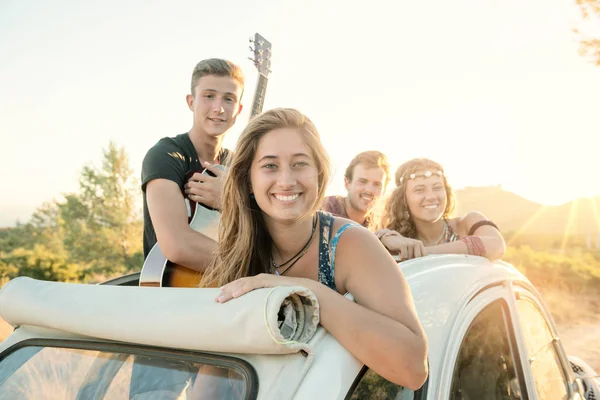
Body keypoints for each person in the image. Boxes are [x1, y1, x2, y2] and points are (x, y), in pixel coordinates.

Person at [200, 108, 428, 389]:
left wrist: (309, 293)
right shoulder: (239, 247)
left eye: (299, 164)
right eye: (270, 165)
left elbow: (414, 368)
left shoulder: (349, 244)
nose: (286, 180)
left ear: (319, 174)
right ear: (249, 179)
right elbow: (216, 369)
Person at [141, 58, 244, 271]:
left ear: (239, 109)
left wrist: (232, 200)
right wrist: (251, 268)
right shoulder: (166, 155)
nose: (219, 108)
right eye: (209, 96)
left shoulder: (240, 166)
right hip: (172, 292)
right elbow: (177, 244)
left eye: (229, 99)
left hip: (227, 291)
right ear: (190, 102)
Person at [374, 158, 506, 261]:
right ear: (403, 198)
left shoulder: (468, 223)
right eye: (419, 190)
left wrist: (423, 253)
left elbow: (497, 245)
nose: (431, 197)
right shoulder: (399, 241)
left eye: (437, 188)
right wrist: (384, 239)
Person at [321, 150, 390, 228]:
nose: (369, 190)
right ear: (347, 183)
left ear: (384, 190)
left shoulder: (381, 225)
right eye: (363, 181)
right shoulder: (324, 211)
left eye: (377, 184)